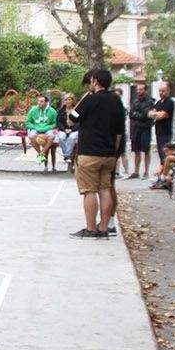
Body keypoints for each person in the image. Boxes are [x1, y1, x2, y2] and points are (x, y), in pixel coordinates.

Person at [71, 69, 124, 238]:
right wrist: (114, 153)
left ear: (95, 81)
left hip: (89, 152)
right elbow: (119, 132)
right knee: (105, 189)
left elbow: (71, 118)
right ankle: (104, 227)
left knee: (89, 191)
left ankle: (90, 228)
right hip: (109, 153)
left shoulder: (90, 100)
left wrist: (82, 99)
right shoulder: (116, 100)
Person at [125, 81, 155, 179]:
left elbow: (145, 114)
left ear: (146, 90)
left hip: (145, 128)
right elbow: (131, 114)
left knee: (146, 150)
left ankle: (146, 172)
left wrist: (138, 114)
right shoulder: (135, 101)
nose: (139, 91)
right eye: (138, 89)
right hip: (135, 128)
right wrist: (139, 114)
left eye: (141, 89)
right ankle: (136, 171)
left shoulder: (150, 101)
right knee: (136, 150)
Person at [25, 94, 58, 165]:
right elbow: (28, 122)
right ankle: (41, 153)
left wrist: (47, 128)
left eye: (41, 101)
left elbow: (55, 123)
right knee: (31, 135)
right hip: (35, 128)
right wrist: (34, 127)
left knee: (51, 136)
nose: (39, 103)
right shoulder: (33, 110)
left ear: (46, 102)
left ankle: (42, 152)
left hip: (47, 129)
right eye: (38, 101)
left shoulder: (52, 111)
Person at [149, 81, 175, 157]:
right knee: (160, 154)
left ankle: (164, 168)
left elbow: (162, 115)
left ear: (168, 90)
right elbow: (150, 114)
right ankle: (162, 167)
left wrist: (156, 114)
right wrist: (156, 114)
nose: (161, 93)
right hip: (158, 132)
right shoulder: (158, 103)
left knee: (165, 153)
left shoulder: (170, 102)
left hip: (166, 133)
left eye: (163, 91)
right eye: (160, 91)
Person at [54, 92, 79, 167]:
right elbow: (58, 122)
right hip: (64, 129)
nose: (67, 101)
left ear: (73, 100)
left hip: (74, 129)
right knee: (61, 137)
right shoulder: (62, 110)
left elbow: (79, 122)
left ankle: (66, 155)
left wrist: (72, 130)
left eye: (69, 99)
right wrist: (64, 129)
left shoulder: (76, 109)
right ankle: (67, 156)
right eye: (66, 100)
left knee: (72, 137)